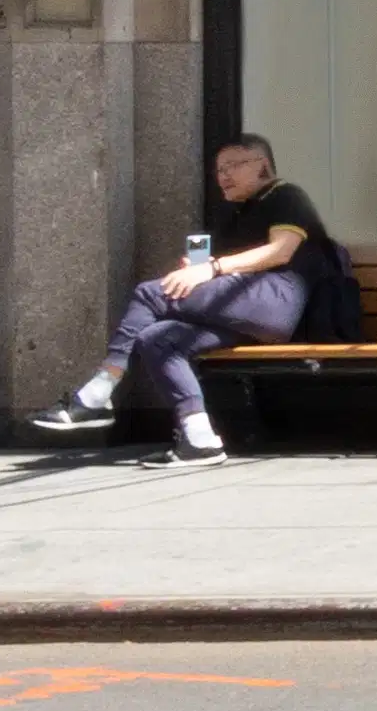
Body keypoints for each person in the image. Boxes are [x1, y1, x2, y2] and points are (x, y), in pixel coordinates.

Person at [28, 134, 328, 465]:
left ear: (262, 165)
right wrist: (201, 270)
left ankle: (99, 391)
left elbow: (280, 251)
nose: (223, 176)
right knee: (157, 338)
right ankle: (200, 440)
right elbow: (227, 274)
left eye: (232, 166)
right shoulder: (237, 214)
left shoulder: (286, 196)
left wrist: (210, 270)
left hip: (280, 300)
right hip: (248, 311)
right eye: (219, 169)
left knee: (151, 293)